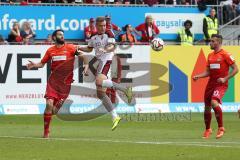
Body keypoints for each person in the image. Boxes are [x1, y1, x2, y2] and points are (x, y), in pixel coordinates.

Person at [26, 29, 88, 138]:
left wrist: (86, 65)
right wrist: (34, 65)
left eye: (63, 35)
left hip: (65, 84)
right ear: (54, 37)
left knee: (54, 111)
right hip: (53, 82)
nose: (62, 36)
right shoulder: (50, 50)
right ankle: (46, 132)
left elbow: (83, 56)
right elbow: (42, 64)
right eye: (60, 35)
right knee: (49, 104)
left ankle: (53, 113)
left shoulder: (71, 48)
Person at [78, 16, 133, 131]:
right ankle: (115, 117)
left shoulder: (109, 33)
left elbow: (113, 46)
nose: (103, 27)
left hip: (108, 60)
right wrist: (79, 47)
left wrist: (106, 50)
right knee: (100, 93)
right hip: (99, 62)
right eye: (101, 26)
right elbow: (89, 48)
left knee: (99, 81)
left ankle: (125, 90)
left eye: (104, 25)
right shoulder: (93, 36)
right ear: (96, 26)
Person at [193, 34, 238, 139]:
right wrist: (198, 76)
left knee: (214, 102)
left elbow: (236, 69)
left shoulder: (226, 54)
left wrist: (225, 78)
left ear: (218, 42)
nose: (211, 43)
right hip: (210, 84)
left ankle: (221, 128)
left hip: (221, 84)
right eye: (211, 41)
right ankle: (208, 129)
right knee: (207, 108)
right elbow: (208, 72)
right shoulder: (210, 55)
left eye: (213, 41)